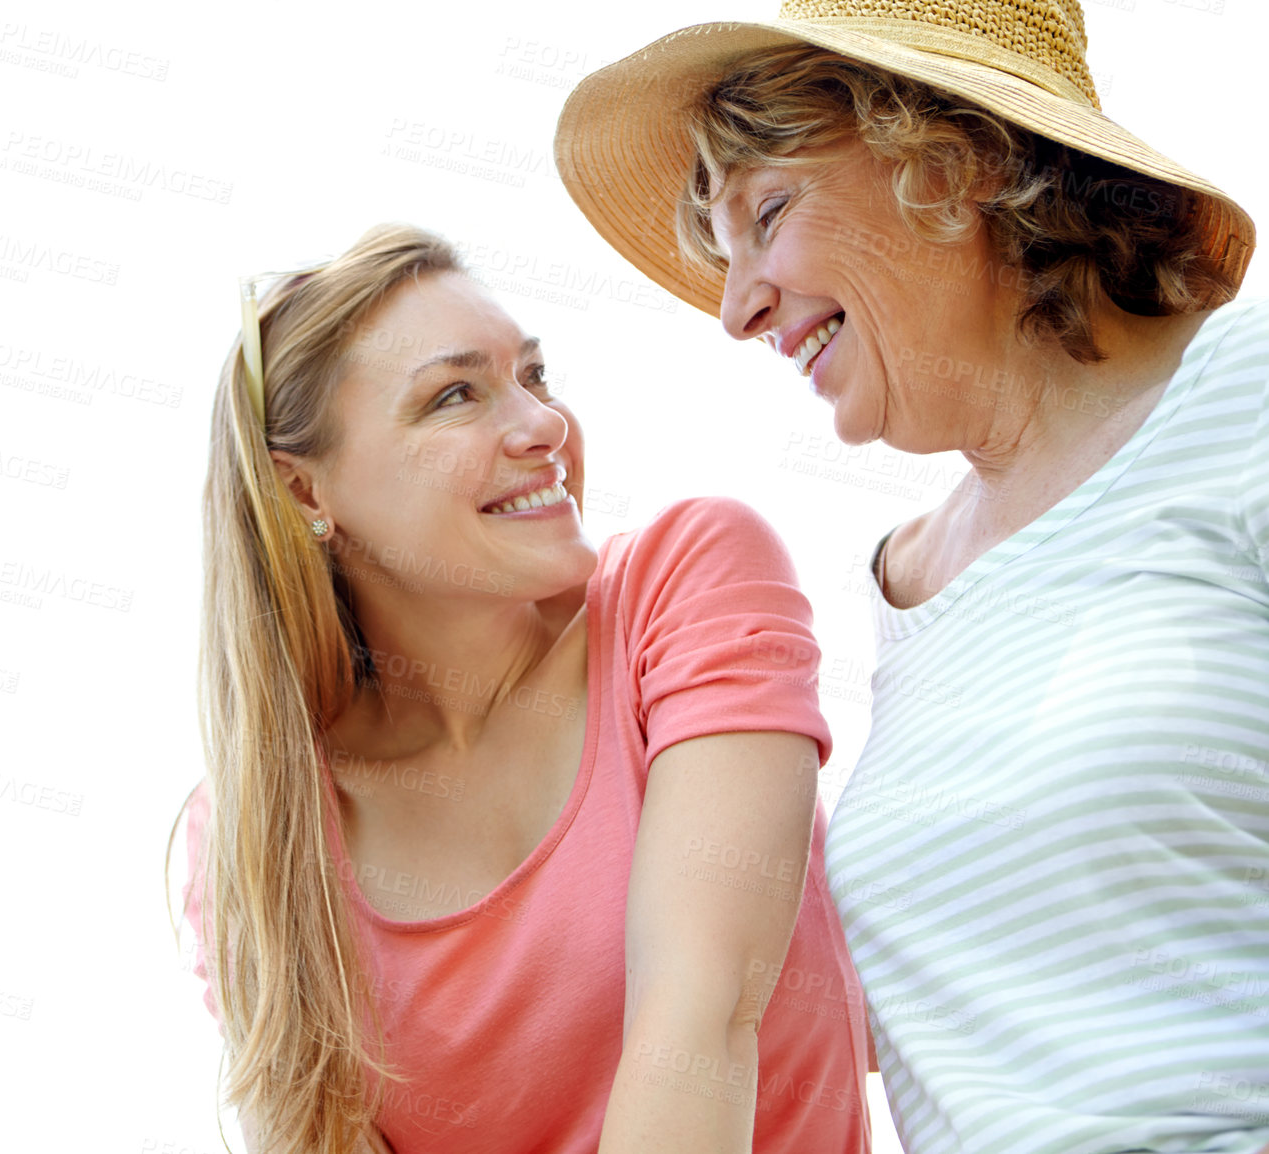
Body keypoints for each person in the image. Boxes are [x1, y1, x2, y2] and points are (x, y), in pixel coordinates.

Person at [555, 3, 1269, 1153]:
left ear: (956, 160)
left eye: (769, 213)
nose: (736, 309)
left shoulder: (1244, 395)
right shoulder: (911, 584)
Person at [171, 223, 871, 1154]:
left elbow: (699, 1024)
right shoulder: (253, 832)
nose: (545, 426)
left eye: (534, 377)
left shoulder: (684, 584)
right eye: (455, 395)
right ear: (304, 494)